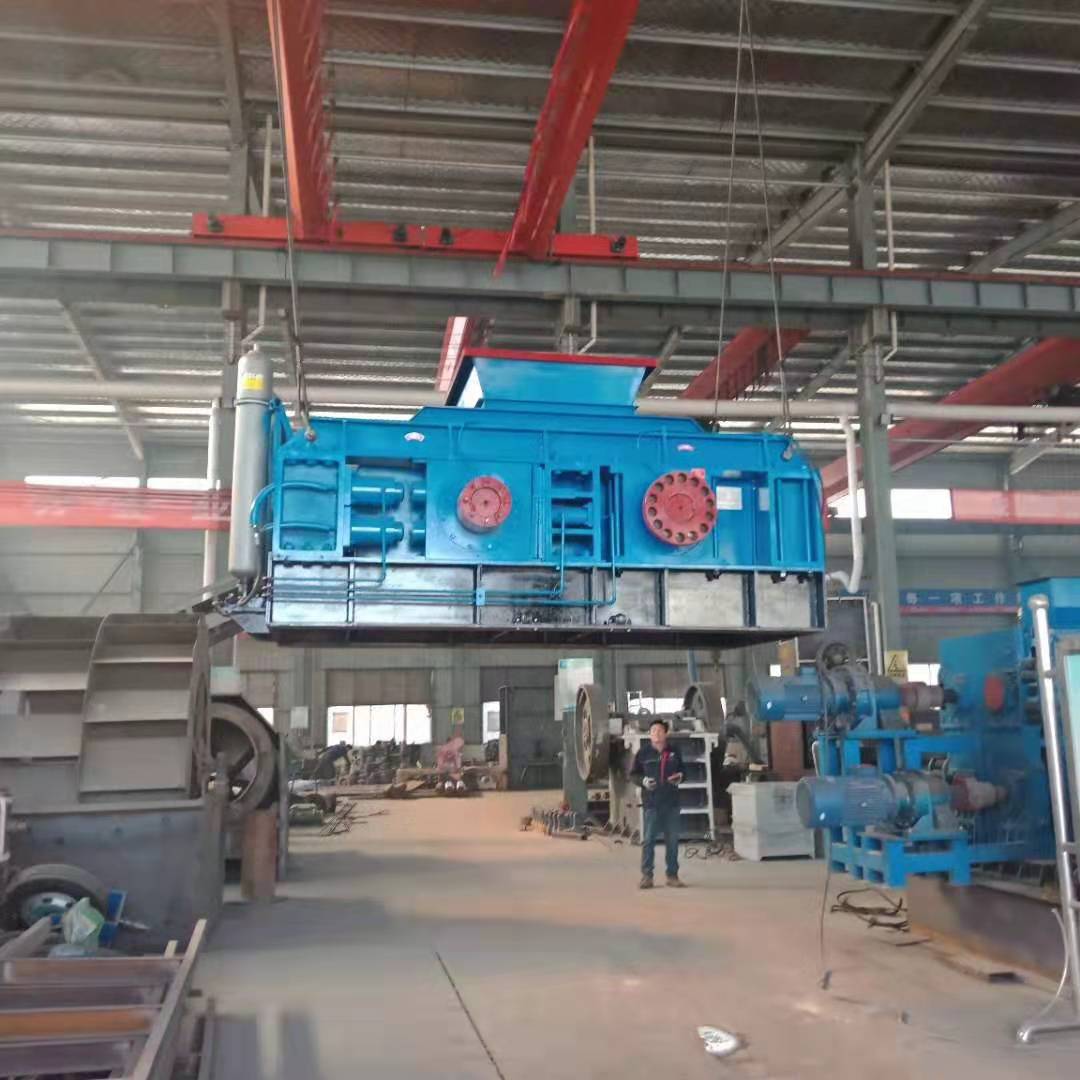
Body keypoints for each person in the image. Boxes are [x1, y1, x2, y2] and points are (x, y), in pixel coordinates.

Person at [630, 719, 686, 889]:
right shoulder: (643, 753)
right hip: (652, 803)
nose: (656, 733)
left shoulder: (674, 752)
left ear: (666, 733)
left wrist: (680, 777)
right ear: (650, 734)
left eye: (660, 730)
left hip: (672, 802)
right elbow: (633, 775)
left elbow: (684, 771)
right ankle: (647, 876)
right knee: (648, 840)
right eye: (653, 730)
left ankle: (672, 875)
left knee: (672, 840)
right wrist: (643, 781)